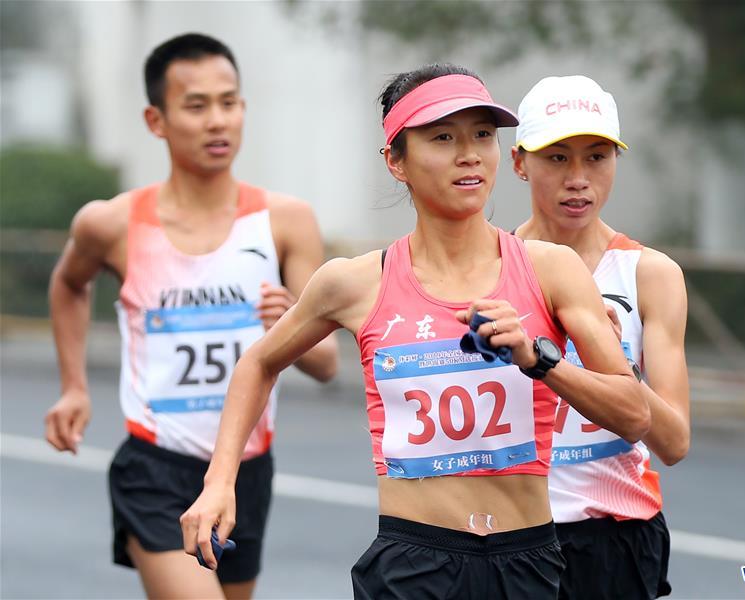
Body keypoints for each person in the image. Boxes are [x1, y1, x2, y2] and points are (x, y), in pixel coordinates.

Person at [180, 64, 649, 599]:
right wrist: (219, 482)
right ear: (397, 161)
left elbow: (634, 415)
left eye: (481, 135)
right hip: (412, 564)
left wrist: (539, 359)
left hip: (528, 561)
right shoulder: (353, 283)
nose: (468, 153)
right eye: (443, 137)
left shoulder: (552, 270)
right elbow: (258, 362)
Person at [43, 33, 337, 599]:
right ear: (157, 120)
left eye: (229, 103)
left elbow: (326, 366)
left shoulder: (286, 222)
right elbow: (68, 284)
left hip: (246, 470)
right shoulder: (111, 224)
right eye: (196, 106)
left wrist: (289, 330)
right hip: (156, 468)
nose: (217, 121)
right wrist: (74, 386)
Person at [511, 75, 691, 599]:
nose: (578, 178)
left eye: (596, 157)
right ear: (520, 162)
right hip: (511, 533)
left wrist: (616, 365)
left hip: (615, 536)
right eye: (557, 158)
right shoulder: (490, 266)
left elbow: (674, 442)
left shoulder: (648, 273)